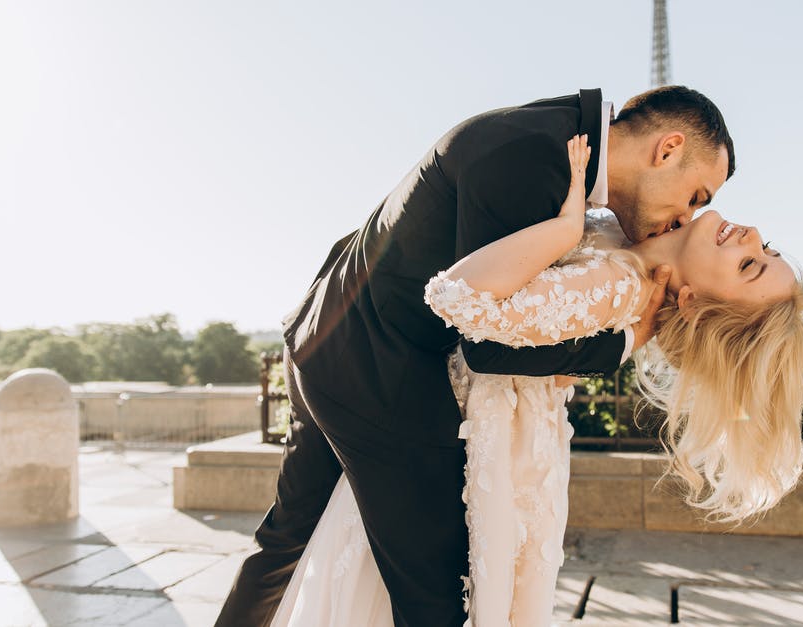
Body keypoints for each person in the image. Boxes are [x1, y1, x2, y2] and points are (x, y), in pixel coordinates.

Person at [217, 86, 751, 627]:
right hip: (379, 373)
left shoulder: (554, 134)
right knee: (437, 593)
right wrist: (622, 342)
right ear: (667, 149)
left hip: (324, 332)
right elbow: (488, 345)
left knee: (284, 540)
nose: (685, 217)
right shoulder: (536, 159)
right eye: (695, 195)